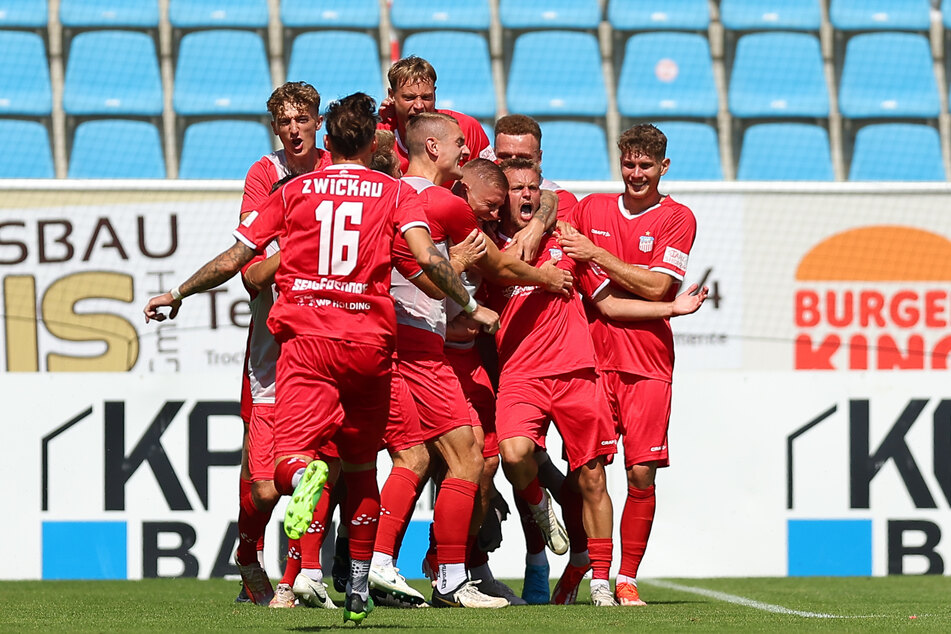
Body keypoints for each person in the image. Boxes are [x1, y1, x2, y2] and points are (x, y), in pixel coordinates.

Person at [144, 92, 500, 625]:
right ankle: (358, 587)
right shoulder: (395, 191)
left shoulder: (296, 191)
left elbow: (237, 260)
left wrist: (178, 293)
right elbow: (425, 257)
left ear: (327, 142)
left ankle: (301, 482)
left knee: (294, 465)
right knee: (362, 470)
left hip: (308, 341)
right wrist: (471, 303)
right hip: (371, 344)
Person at [371, 112, 572, 609]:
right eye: (461, 144)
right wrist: (512, 287)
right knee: (456, 456)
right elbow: (490, 266)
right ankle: (438, 574)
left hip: (410, 347)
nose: (491, 214)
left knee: (447, 459)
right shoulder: (444, 205)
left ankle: (389, 568)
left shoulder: (391, 196)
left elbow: (552, 197)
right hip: (421, 350)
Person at [558, 123, 700, 606]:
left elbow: (660, 287)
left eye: (646, 165)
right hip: (590, 360)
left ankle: (627, 576)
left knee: (641, 474)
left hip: (647, 364)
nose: (636, 173)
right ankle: (591, 566)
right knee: (588, 471)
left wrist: (598, 254)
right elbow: (558, 220)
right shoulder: (592, 206)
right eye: (629, 163)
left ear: (663, 167)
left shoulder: (678, 218)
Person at [233, 81, 335, 609]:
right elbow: (251, 272)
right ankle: (248, 552)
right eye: (284, 121)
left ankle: (298, 578)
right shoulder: (265, 175)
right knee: (267, 486)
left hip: (327, 344)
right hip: (272, 349)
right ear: (276, 128)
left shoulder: (337, 170)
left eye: (303, 119)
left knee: (318, 468)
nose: (294, 129)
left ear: (318, 122)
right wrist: (299, 243)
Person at [378, 56, 494, 177]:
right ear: (391, 96)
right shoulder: (380, 137)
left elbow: (492, 181)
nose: (419, 105)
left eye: (426, 97)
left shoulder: (466, 128)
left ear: (434, 93)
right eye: (409, 98)